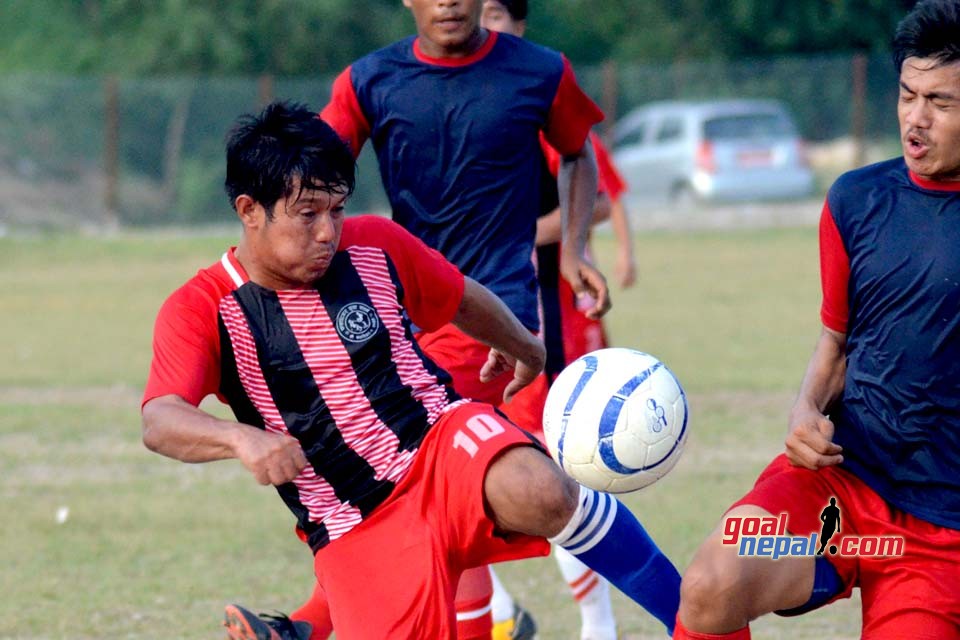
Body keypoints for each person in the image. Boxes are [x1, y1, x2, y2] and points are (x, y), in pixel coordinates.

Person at [143, 102, 680, 640]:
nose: (328, 231)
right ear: (249, 209)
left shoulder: (374, 242)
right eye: (308, 214)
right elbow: (161, 419)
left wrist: (526, 345)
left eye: (337, 209)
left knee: (542, 490)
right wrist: (240, 439)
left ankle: (698, 627)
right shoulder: (203, 306)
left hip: (438, 442)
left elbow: (458, 294)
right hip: (355, 520)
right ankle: (307, 627)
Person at [674, 2, 960, 638]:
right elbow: (837, 342)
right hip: (839, 482)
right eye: (909, 94)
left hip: (942, 530)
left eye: (941, 103)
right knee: (710, 588)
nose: (916, 119)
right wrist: (804, 411)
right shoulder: (855, 200)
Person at [478, 2, 637, 639]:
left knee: (549, 481)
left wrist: (531, 240)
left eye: (491, 9)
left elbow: (596, 195)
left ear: (517, 19)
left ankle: (599, 622)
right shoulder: (450, 103)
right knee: (432, 477)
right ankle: (498, 614)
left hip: (533, 321)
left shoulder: (534, 95)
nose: (474, 21)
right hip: (451, 325)